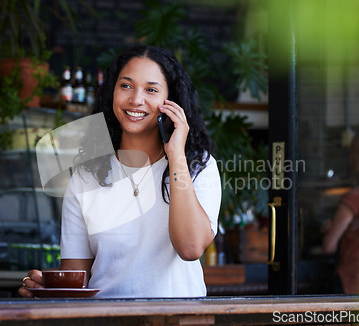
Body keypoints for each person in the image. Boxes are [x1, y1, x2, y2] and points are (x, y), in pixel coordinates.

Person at [19, 45, 222, 298]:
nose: (136, 99)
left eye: (151, 89)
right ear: (111, 93)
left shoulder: (197, 166)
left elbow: (190, 248)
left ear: (172, 102)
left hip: (180, 318)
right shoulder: (85, 177)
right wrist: (47, 287)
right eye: (126, 85)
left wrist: (176, 155)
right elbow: (75, 278)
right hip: (107, 318)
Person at [322, 129, 359, 294]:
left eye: (351, 153)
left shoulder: (357, 197)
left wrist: (332, 230)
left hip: (351, 283)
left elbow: (329, 246)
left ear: (357, 159)